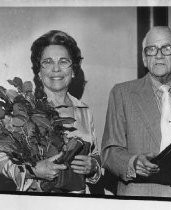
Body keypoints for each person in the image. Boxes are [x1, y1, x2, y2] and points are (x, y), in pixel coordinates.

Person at [101, 26, 171, 198]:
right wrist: (133, 162)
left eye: (166, 49)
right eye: (151, 50)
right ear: (145, 59)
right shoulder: (122, 93)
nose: (158, 55)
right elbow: (109, 152)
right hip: (139, 198)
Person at [0, 30, 101, 193]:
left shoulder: (84, 111)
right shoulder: (23, 109)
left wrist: (93, 166)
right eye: (47, 62)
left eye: (63, 61)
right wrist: (33, 171)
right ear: (39, 72)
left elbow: (95, 154)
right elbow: (2, 159)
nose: (56, 69)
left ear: (73, 70)